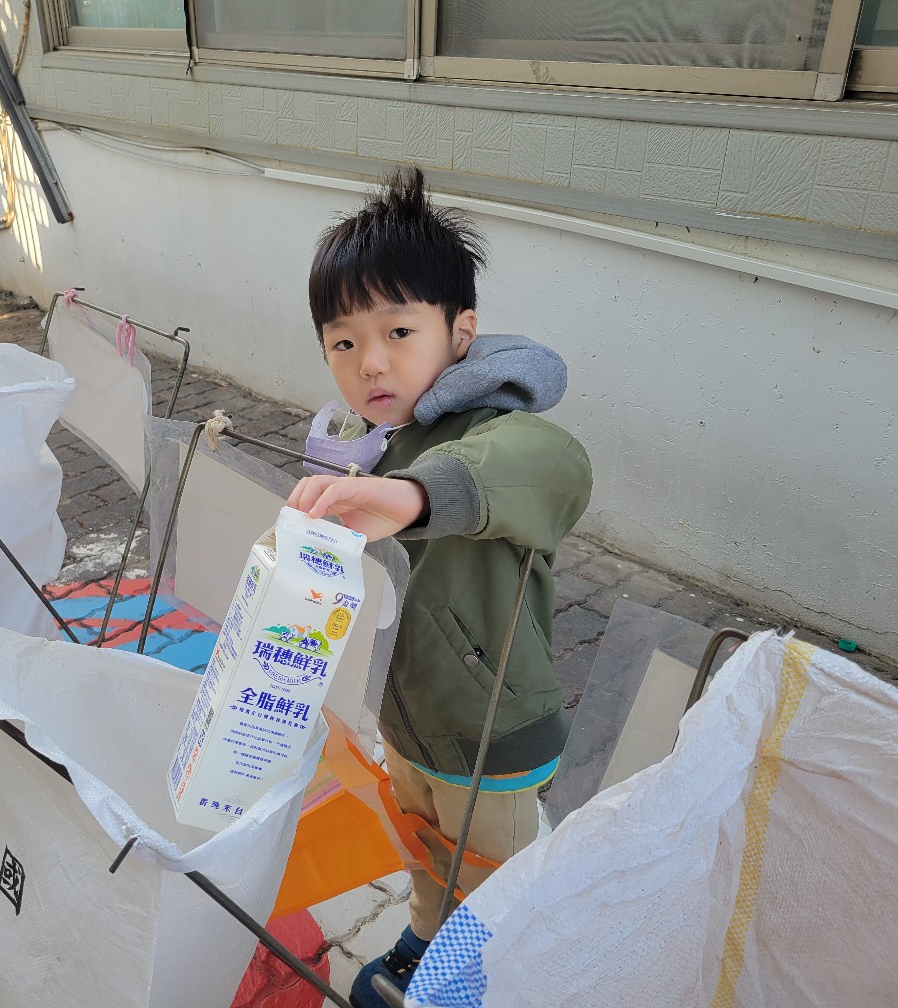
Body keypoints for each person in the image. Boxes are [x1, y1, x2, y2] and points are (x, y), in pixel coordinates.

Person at [288, 167, 592, 1008]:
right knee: (424, 846)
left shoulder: (495, 428)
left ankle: (490, 979)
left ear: (461, 333)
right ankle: (427, 938)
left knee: (495, 877)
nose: (370, 362)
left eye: (398, 331)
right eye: (343, 343)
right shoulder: (372, 440)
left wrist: (417, 494)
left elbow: (555, 469)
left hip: (488, 727)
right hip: (407, 716)